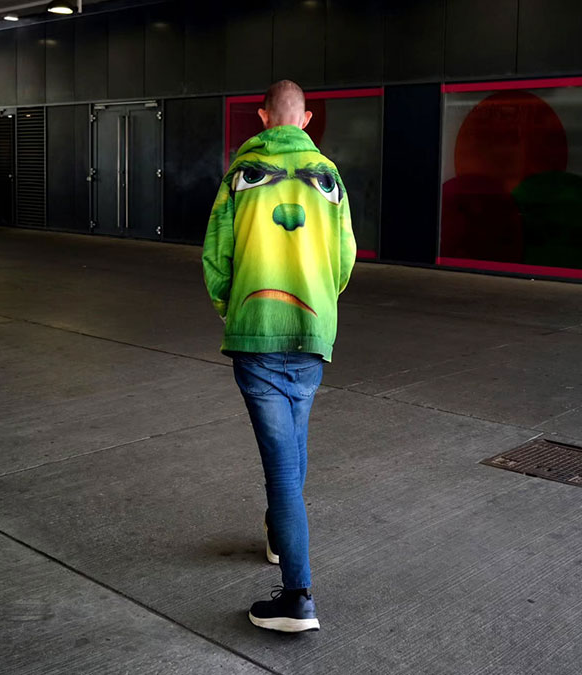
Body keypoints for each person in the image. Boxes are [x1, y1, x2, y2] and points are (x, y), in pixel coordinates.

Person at [202, 79, 356, 633]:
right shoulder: (330, 179)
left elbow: (216, 256)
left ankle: (298, 598)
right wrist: (317, 303)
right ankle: (276, 536)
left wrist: (234, 308)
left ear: (264, 116)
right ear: (306, 119)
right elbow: (344, 259)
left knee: (282, 474)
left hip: (256, 331)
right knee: (294, 442)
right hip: (312, 333)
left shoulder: (240, 177)